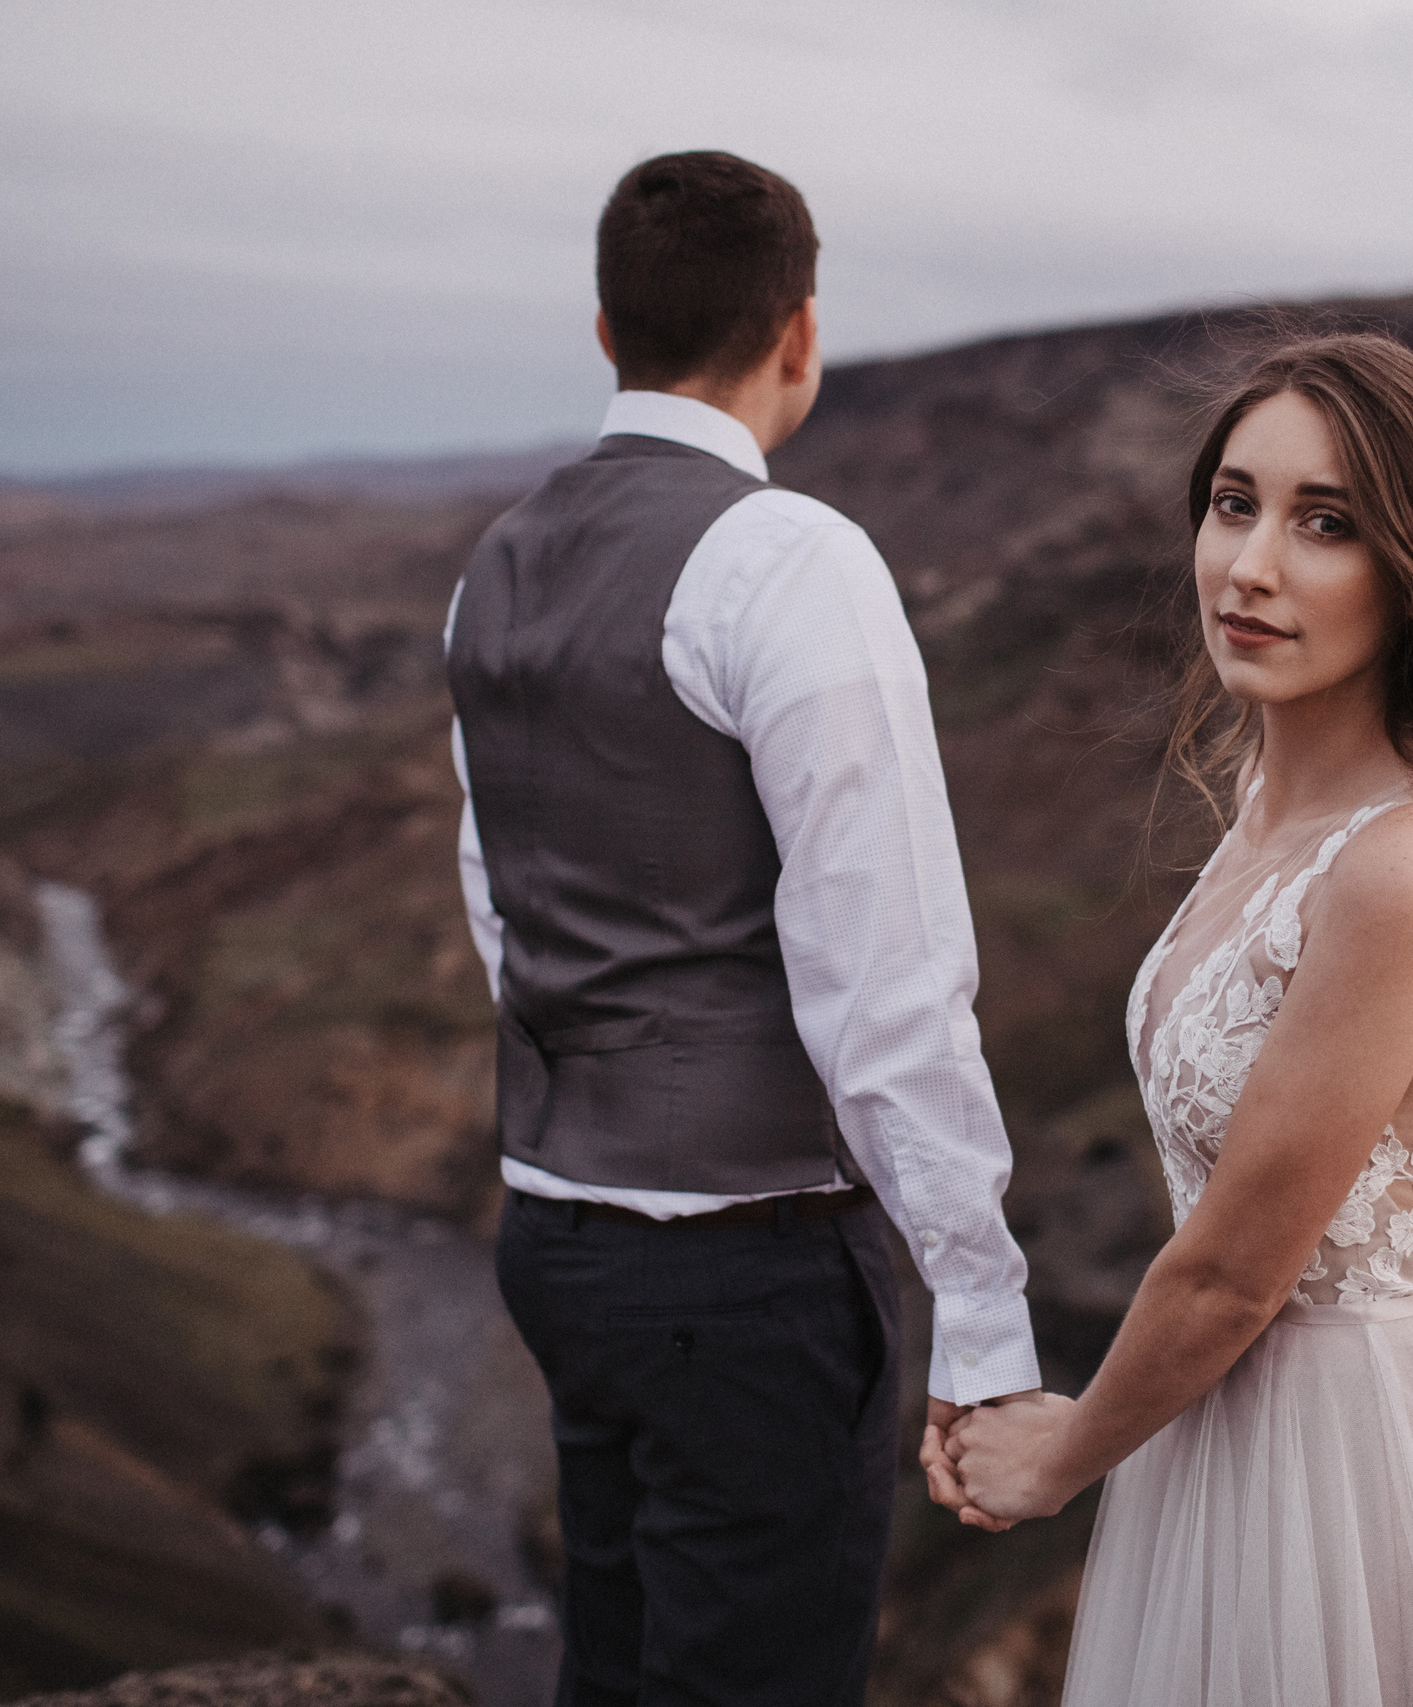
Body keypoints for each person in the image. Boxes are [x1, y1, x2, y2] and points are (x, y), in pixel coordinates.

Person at [926, 335, 1413, 1704]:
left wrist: (1059, 1458)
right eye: (1235, 502)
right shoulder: (1268, 797)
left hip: (1348, 1463)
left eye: (1328, 526)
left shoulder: (1409, 864)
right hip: (1214, 1430)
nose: (1248, 566)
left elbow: (1237, 1268)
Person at [446, 151, 1041, 1706]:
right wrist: (981, 1313)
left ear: (604, 331)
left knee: (620, 1662)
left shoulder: (492, 570)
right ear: (799, 333)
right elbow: (886, 974)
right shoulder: (793, 562)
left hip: (556, 1233)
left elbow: (501, 903)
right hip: (746, 1268)